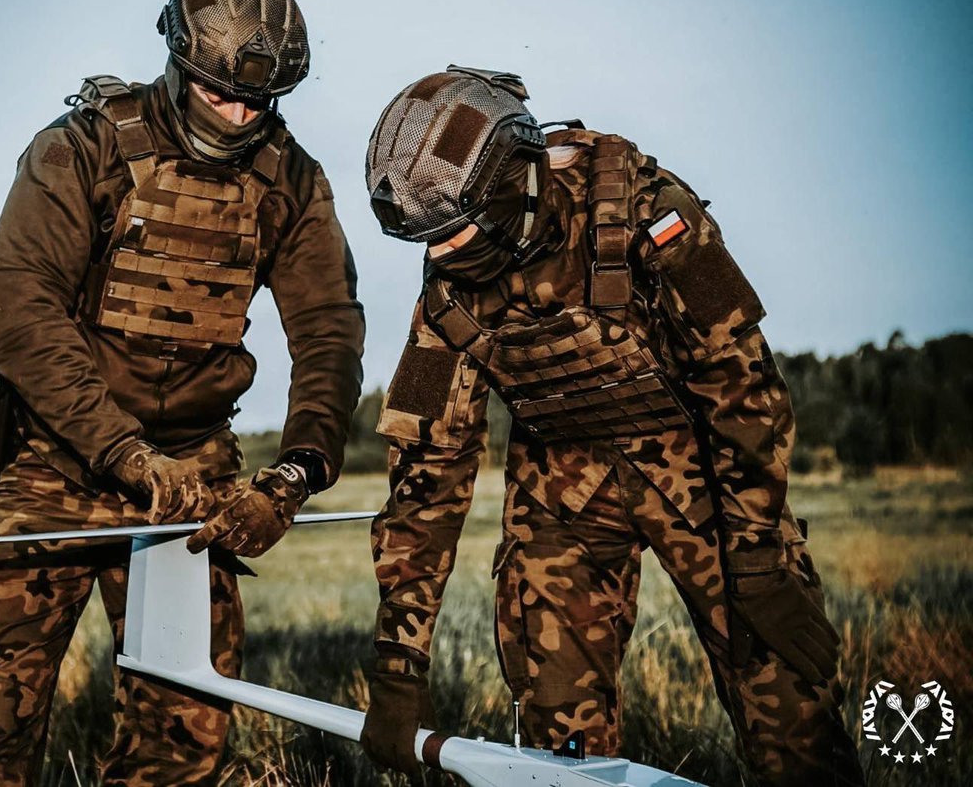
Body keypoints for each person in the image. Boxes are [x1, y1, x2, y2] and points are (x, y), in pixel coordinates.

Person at [358, 66, 862, 786]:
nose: (438, 257)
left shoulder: (647, 208)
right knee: (555, 745)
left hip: (701, 472)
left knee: (788, 710)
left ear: (510, 186)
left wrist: (756, 555)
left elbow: (741, 384)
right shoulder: (446, 287)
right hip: (561, 484)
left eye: (453, 234)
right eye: (425, 241)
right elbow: (426, 465)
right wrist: (398, 658)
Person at [0, 0, 364, 787]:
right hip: (51, 461)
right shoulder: (80, 147)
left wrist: (295, 476)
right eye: (219, 94)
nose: (240, 115)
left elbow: (330, 335)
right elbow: (21, 315)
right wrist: (125, 455)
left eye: (259, 101)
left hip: (193, 479)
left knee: (182, 738)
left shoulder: (293, 182)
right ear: (178, 63)